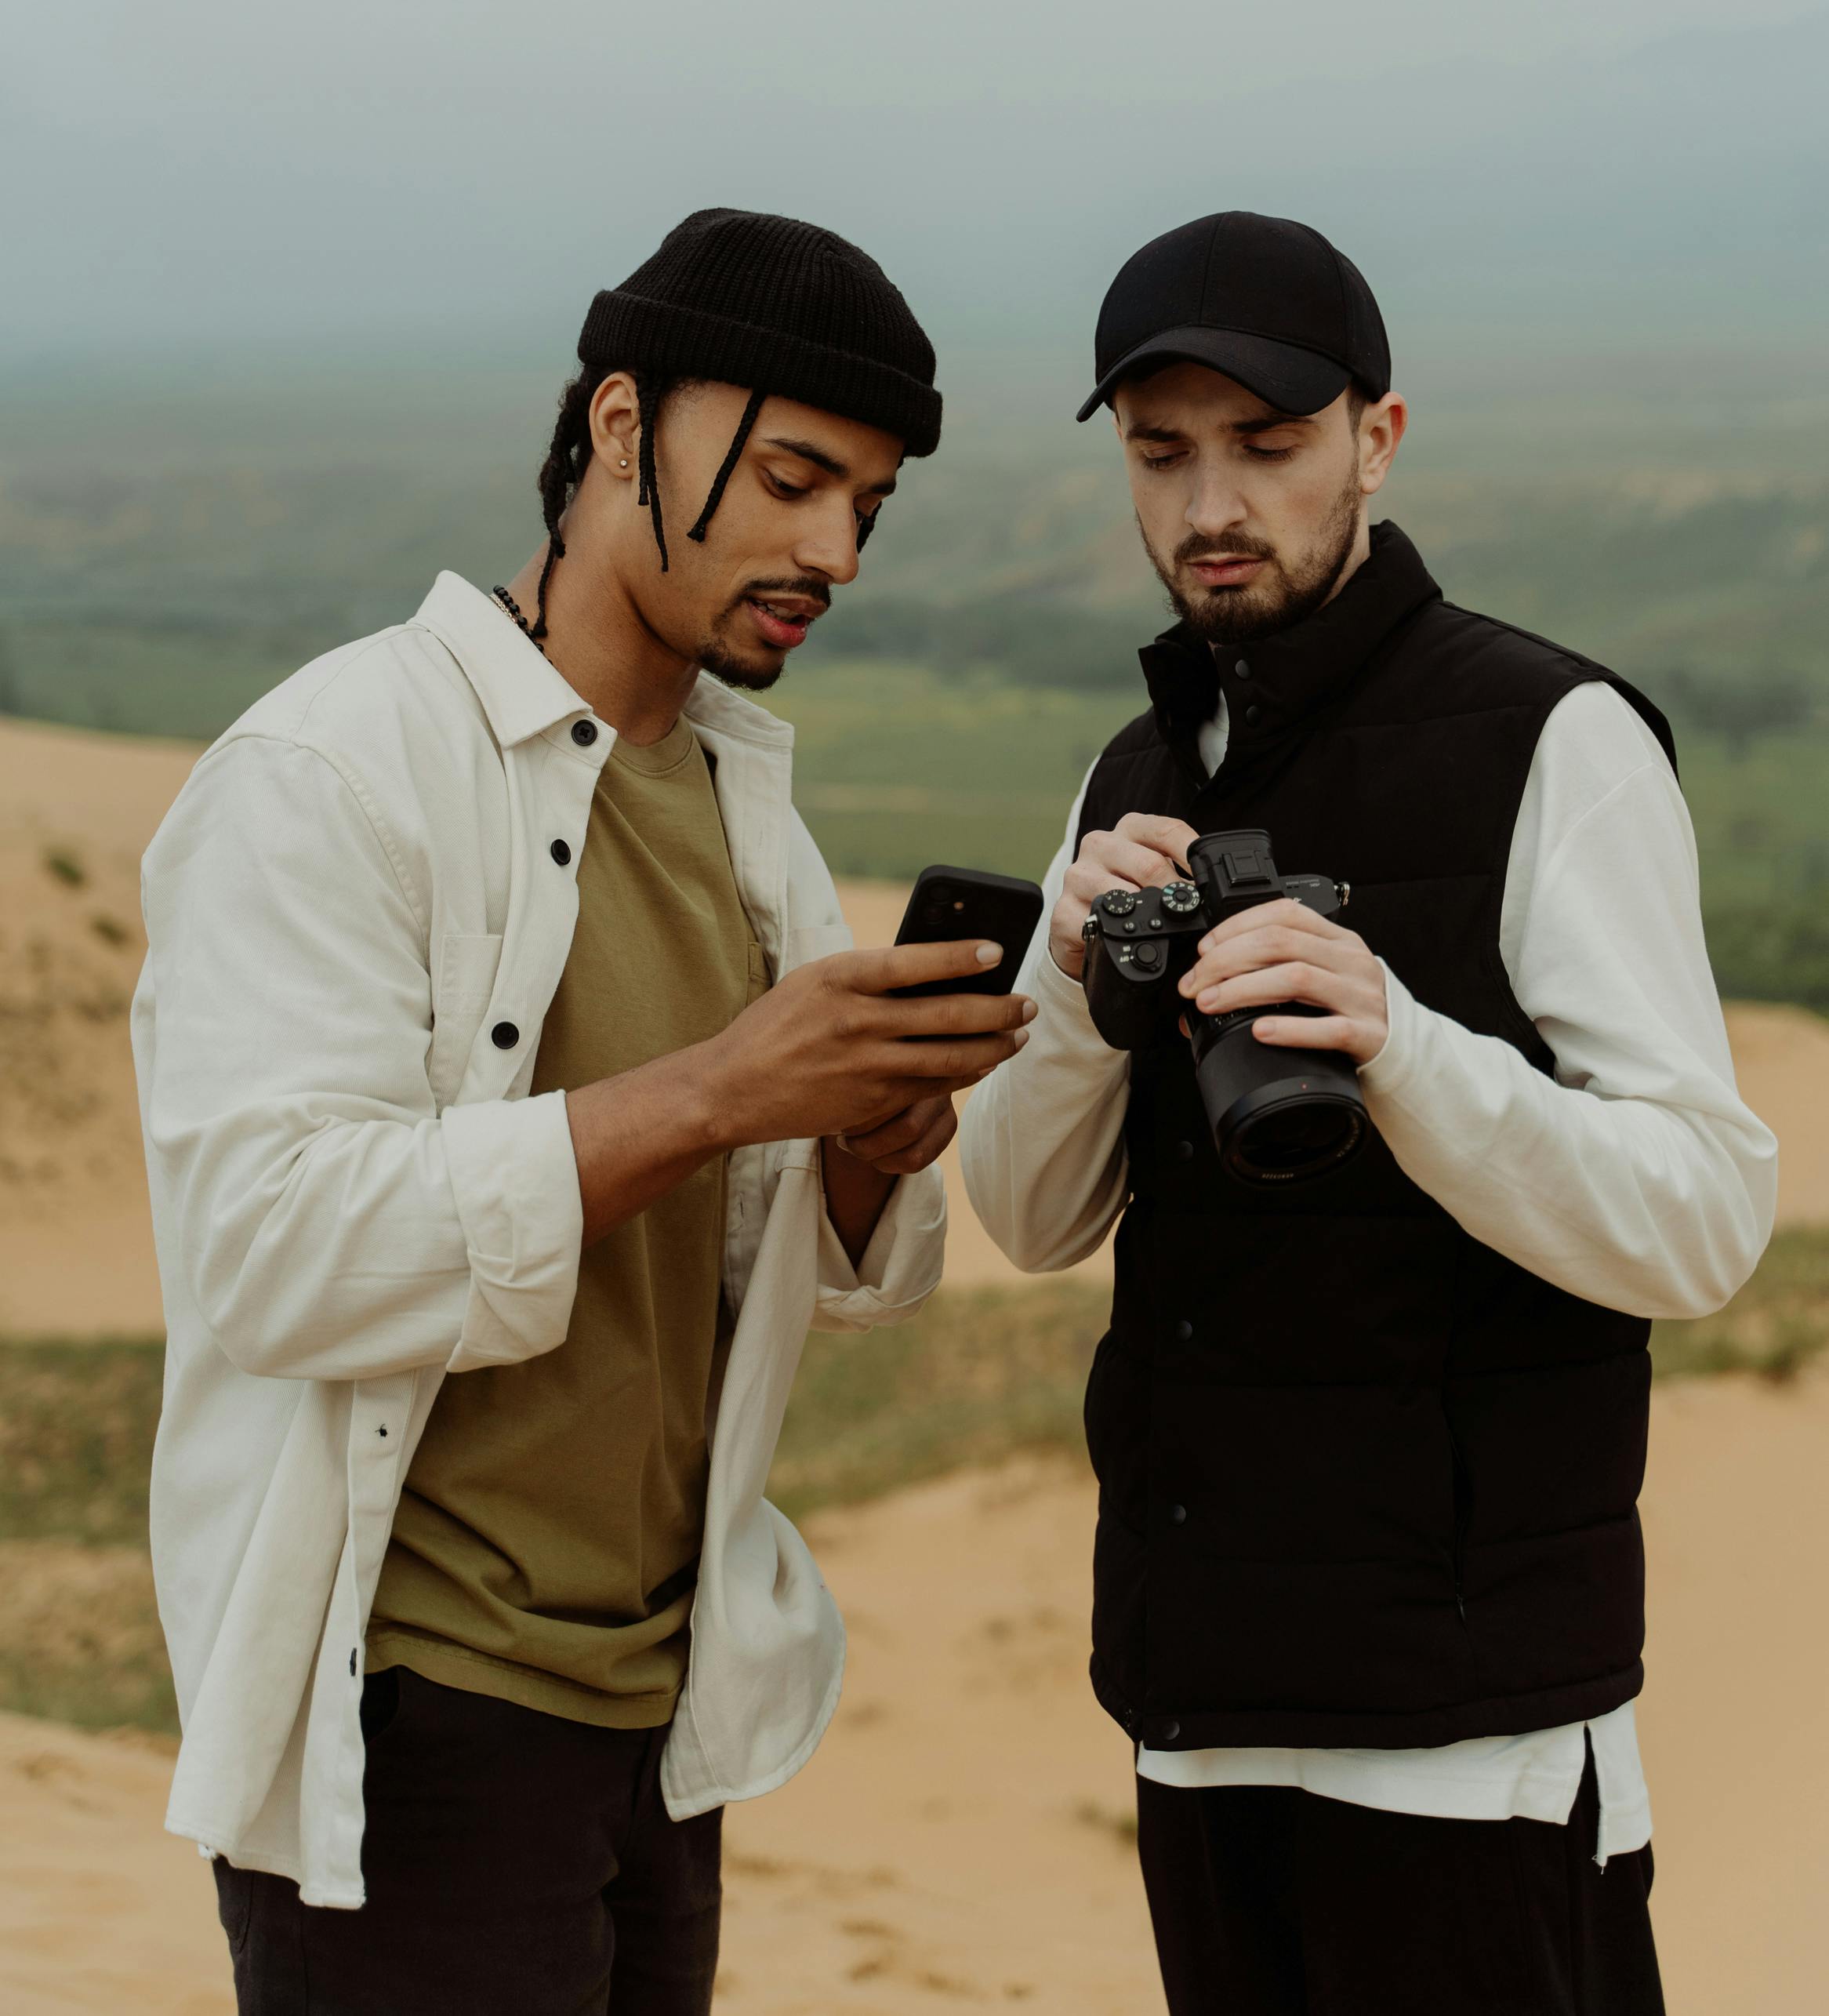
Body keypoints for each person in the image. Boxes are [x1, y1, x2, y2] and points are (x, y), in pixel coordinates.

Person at [135, 207, 1036, 2015]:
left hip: (662, 1727)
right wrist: (715, 1090)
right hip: (413, 1722)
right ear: (622, 426)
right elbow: (270, 1249)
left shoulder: (744, 816)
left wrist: (859, 1148)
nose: (831, 548)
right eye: (790, 476)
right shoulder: (337, 770)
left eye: (868, 504)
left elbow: (832, 1277)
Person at [960, 210, 1776, 2016]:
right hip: (1200, 1714)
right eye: (1161, 455)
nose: (1209, 504)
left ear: (1377, 440)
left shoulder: (1551, 739)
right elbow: (1024, 1221)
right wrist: (1079, 998)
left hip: (1467, 1745)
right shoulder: (1136, 772)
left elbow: (1708, 1215)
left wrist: (1405, 1049)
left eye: (1267, 443)